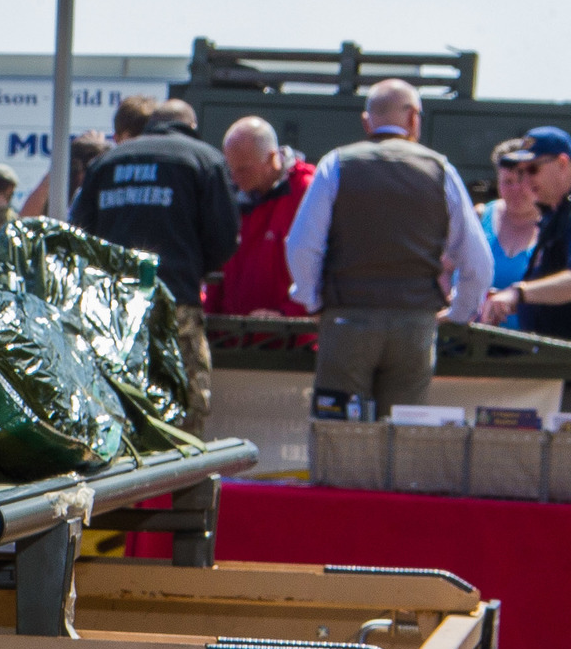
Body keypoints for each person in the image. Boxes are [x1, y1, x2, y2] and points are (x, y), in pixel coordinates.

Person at [284, 78, 494, 410]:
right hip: (415, 324)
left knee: (340, 435)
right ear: (413, 118)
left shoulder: (336, 164)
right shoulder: (440, 170)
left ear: (367, 122)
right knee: (402, 433)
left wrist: (314, 302)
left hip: (346, 319)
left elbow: (301, 245)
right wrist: (460, 311)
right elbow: (477, 261)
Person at [72, 97, 236, 428]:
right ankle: (184, 477)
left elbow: (79, 235)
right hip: (175, 303)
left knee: (117, 401)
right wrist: (192, 267)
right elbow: (224, 238)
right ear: (191, 127)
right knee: (186, 402)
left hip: (112, 308)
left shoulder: (106, 164)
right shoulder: (204, 160)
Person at [208, 117, 315, 318]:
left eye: (243, 169)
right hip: (232, 337)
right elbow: (220, 265)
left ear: (272, 158)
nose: (235, 177)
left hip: (291, 340)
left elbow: (323, 268)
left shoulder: (307, 191)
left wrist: (286, 314)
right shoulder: (231, 194)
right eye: (230, 169)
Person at [485, 127, 571, 338]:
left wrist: (519, 294)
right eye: (521, 172)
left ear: (562, 163)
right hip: (547, 355)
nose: (526, 180)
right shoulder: (554, 213)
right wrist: (511, 298)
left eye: (533, 169)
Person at [479, 138, 542, 290]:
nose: (516, 189)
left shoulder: (557, 225)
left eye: (522, 181)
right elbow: (447, 268)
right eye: (507, 181)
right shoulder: (479, 217)